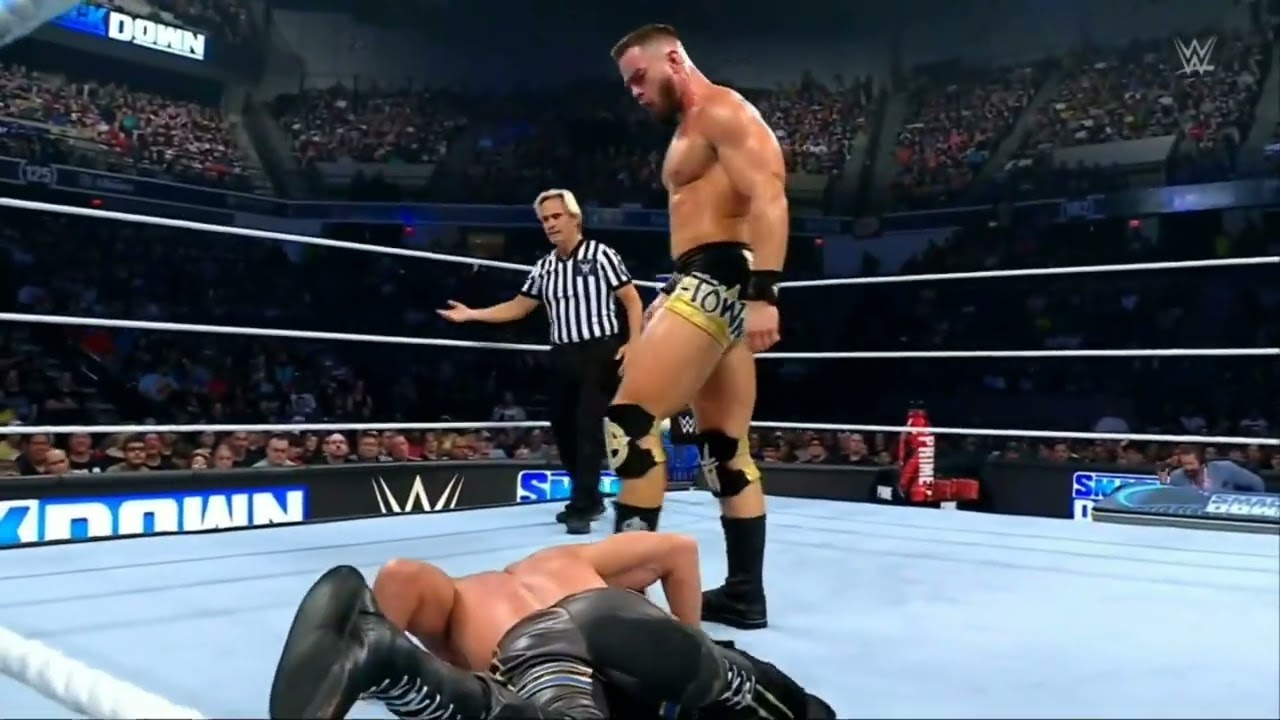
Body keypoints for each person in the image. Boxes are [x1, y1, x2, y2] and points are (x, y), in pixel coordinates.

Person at [604, 23, 786, 630]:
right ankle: (744, 595)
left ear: (675, 59)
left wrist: (765, 295)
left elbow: (769, 194)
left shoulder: (721, 110)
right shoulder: (691, 126)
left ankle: (625, 602)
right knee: (725, 447)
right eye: (628, 84)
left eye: (640, 77)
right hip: (707, 275)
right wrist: (673, 290)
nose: (636, 92)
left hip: (722, 276)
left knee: (630, 425)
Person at [268, 533, 833, 720]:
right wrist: (693, 632)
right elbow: (678, 550)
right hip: (602, 611)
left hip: (530, 652)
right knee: (795, 709)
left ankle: (394, 664)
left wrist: (384, 631)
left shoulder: (461, 594)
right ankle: (705, 667)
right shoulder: (567, 558)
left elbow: (401, 575)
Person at [439, 189, 644, 535]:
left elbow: (632, 299)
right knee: (562, 427)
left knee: (587, 426)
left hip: (598, 351)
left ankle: (582, 505)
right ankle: (590, 497)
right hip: (562, 354)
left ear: (575, 218)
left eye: (556, 217)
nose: (550, 224)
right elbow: (520, 306)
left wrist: (635, 342)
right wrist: (473, 314)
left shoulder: (601, 255)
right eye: (545, 219)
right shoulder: (545, 266)